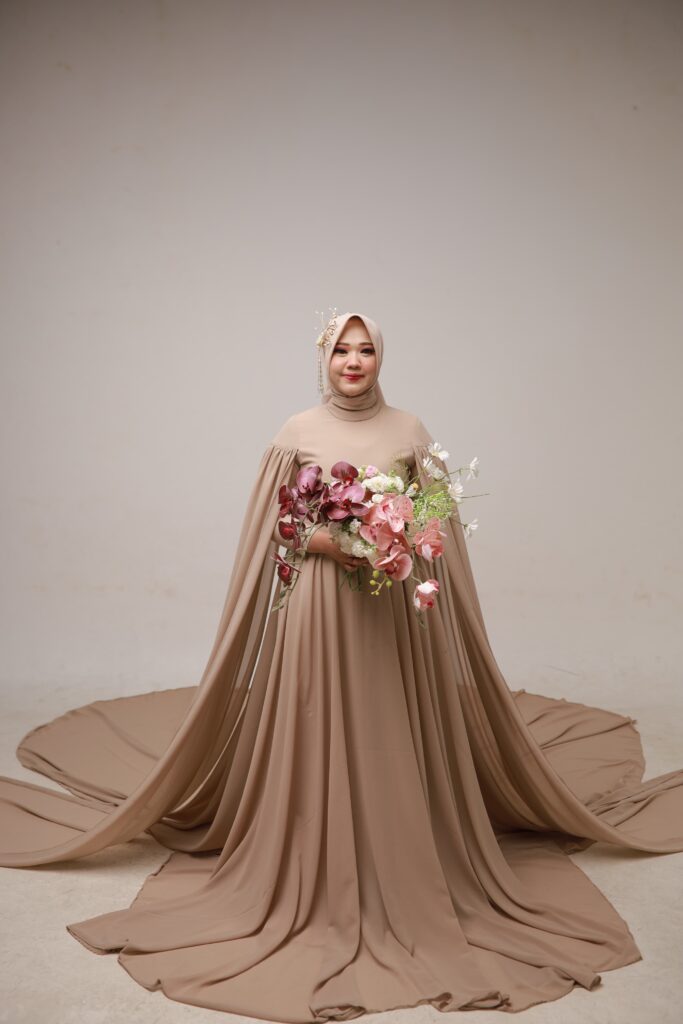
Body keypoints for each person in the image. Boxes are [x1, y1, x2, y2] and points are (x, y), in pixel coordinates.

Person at [1, 311, 682, 1022]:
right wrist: (329, 542)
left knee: (387, 723)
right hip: (319, 604)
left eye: (365, 351)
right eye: (340, 351)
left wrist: (397, 537)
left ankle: (397, 851)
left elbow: (437, 521)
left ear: (380, 358)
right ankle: (313, 858)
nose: (353, 362)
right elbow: (275, 526)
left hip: (388, 611)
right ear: (324, 359)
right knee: (316, 719)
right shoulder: (296, 431)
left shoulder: (409, 430)